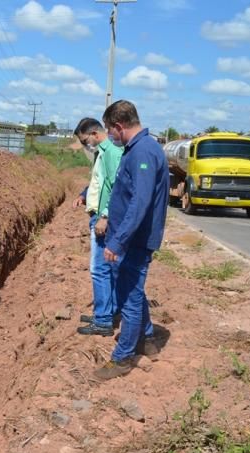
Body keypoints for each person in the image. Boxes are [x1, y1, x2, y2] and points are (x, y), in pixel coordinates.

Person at [94, 100, 169, 381]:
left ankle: (123, 358)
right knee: (133, 290)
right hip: (130, 238)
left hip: (135, 241)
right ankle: (147, 340)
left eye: (110, 131)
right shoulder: (138, 149)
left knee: (129, 296)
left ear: (118, 126)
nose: (110, 136)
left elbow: (140, 201)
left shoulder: (144, 151)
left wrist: (118, 241)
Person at [72, 118, 123, 337]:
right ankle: (106, 313)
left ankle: (102, 321)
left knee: (99, 270)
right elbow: (99, 182)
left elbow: (118, 188)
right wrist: (84, 195)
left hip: (104, 221)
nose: (86, 145)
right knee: (106, 270)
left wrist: (105, 216)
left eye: (85, 141)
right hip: (99, 217)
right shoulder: (100, 153)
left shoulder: (111, 153)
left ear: (94, 133)